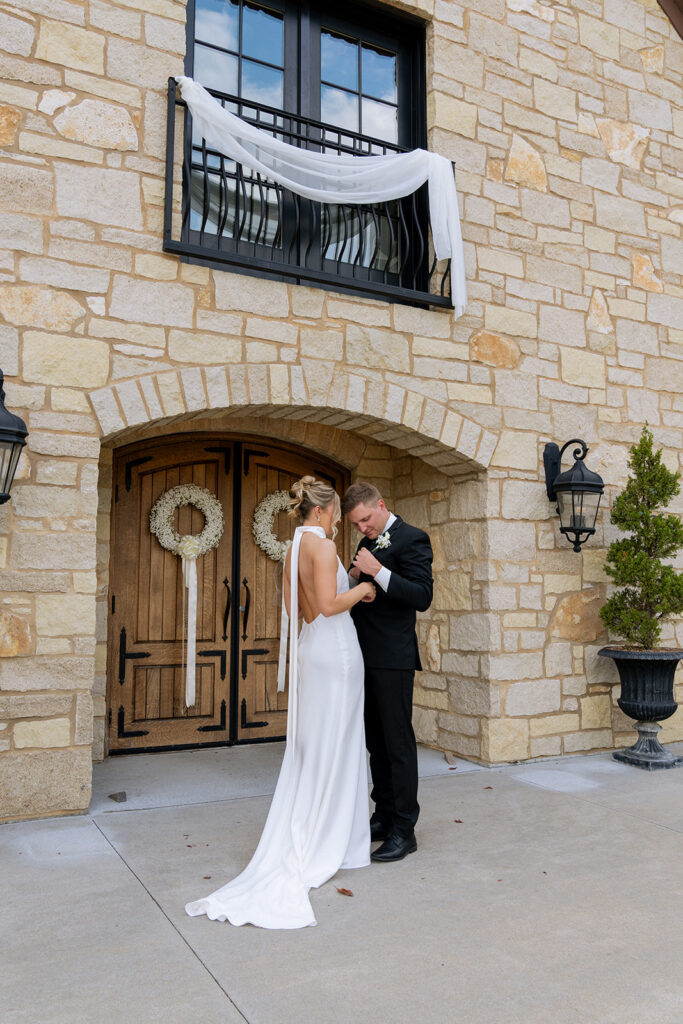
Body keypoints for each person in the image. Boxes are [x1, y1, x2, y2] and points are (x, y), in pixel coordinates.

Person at [185, 476, 376, 929]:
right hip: (338, 652)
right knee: (341, 741)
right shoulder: (325, 546)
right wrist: (363, 590)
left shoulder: (292, 548)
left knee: (319, 743)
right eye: (335, 515)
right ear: (325, 511)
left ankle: (317, 827)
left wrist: (339, 586)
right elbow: (330, 606)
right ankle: (336, 840)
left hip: (313, 651)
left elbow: (302, 611)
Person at [342, 482, 433, 863]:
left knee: (397, 744)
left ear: (380, 505)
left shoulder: (413, 539)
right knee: (375, 744)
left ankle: (404, 829)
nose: (362, 528)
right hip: (364, 655)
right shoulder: (367, 543)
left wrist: (378, 571)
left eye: (365, 519)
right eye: (356, 524)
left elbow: (422, 597)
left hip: (393, 657)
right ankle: (382, 815)